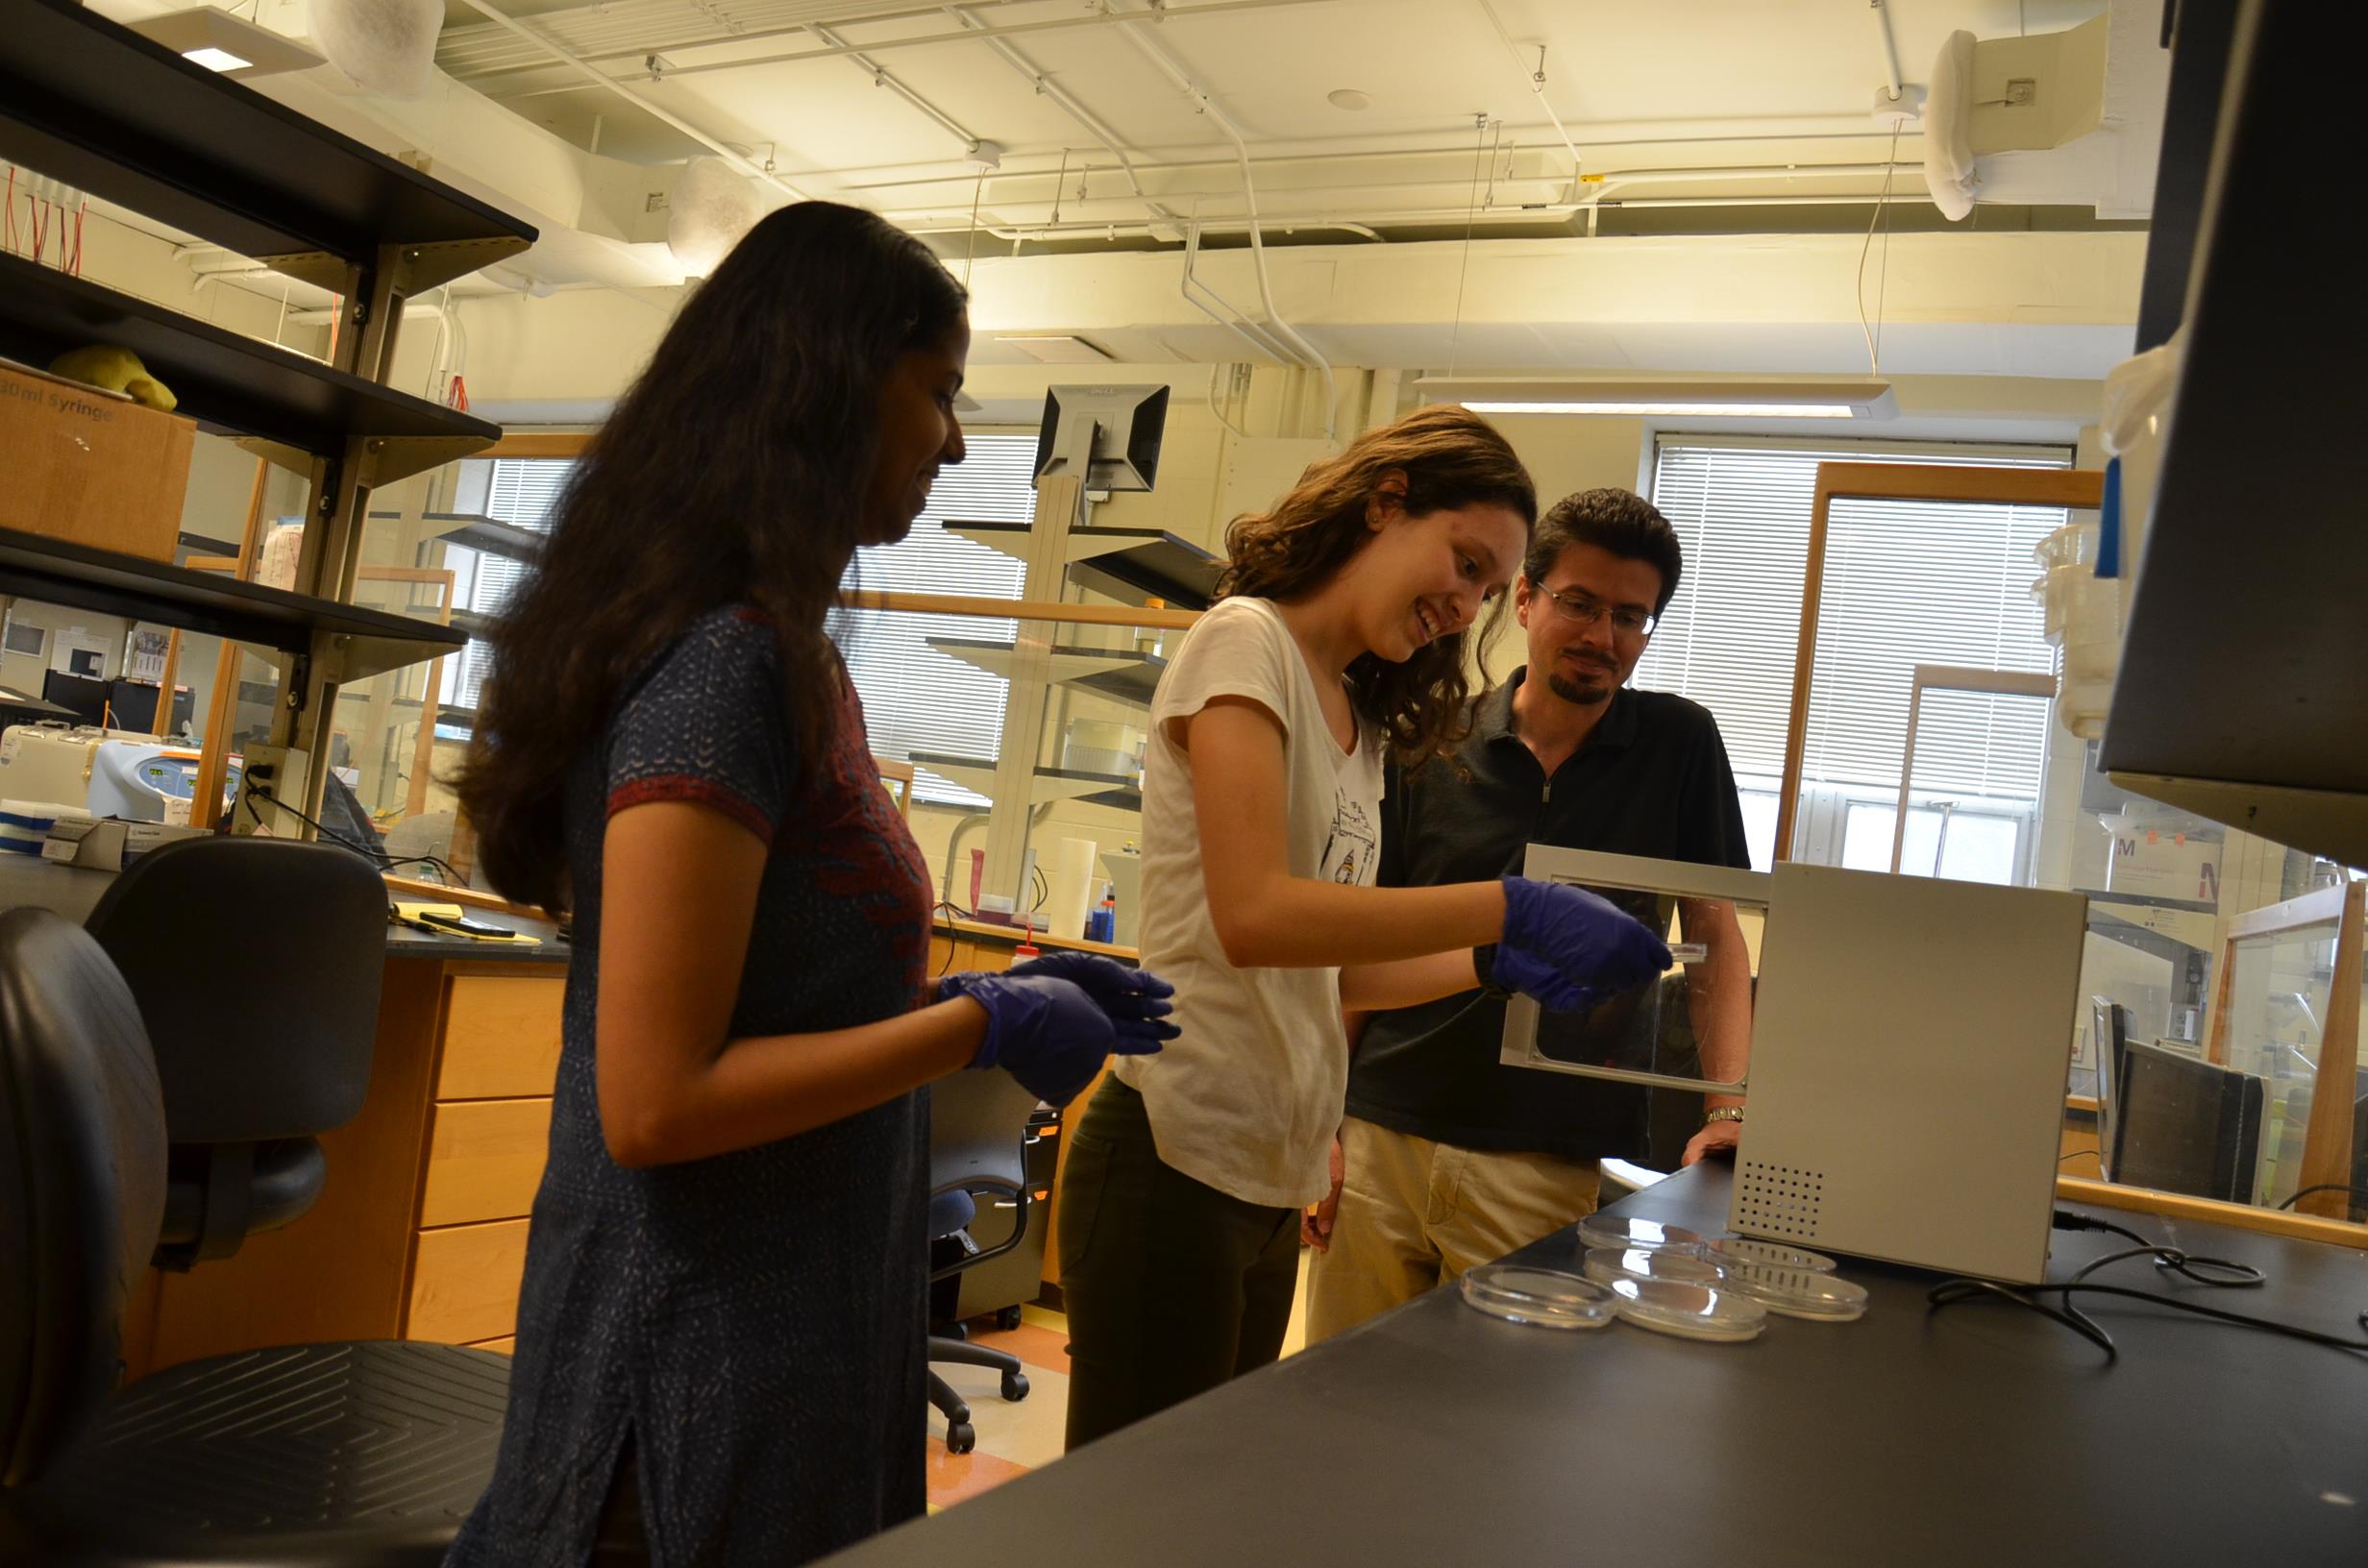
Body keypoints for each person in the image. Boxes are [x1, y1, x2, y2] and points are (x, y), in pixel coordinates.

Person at [444, 202, 1174, 1567]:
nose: (955, 443)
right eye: (941, 393)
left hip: (791, 1317)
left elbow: (785, 996)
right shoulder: (725, 667)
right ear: (831, 380)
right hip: (691, 1362)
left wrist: (985, 992)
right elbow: (658, 1105)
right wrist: (980, 1028)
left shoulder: (789, 657)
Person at [1055, 410, 1672, 1451]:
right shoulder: (1243, 641)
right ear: (1385, 501)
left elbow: (1333, 976)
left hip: (1268, 1164)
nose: (1466, 604)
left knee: (1203, 1504)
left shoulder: (1357, 718)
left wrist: (1486, 962)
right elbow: (1253, 917)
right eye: (1466, 563)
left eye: (1486, 589)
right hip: (1174, 1150)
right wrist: (1506, 905)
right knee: (1133, 1521)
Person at [1304, 486, 1753, 1342]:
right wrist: (1326, 1121)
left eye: (1632, 616)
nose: (1602, 637)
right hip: (1384, 1135)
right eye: (1580, 604)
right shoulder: (1430, 738)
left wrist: (1728, 1111)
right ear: (1524, 598)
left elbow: (1713, 934)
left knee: (1498, 1431)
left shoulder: (1678, 745)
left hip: (1544, 1160)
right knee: (1338, 1404)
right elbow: (1364, 937)